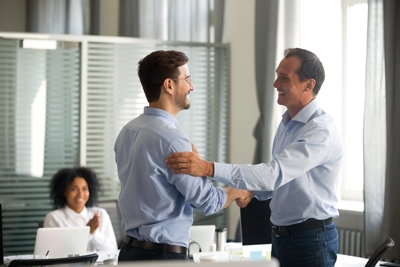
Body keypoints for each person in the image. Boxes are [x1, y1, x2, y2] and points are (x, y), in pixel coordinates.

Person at [165, 48, 344, 267]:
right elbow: (281, 183)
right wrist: (249, 191)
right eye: (277, 75)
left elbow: (273, 174)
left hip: (310, 240)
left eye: (284, 78)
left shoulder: (320, 130)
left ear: (309, 85)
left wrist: (208, 168)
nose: (275, 84)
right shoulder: (287, 123)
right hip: (282, 238)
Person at [114, 50, 253, 262]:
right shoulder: (172, 139)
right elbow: (206, 202)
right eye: (187, 79)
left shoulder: (127, 131)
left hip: (129, 253)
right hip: (162, 257)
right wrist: (235, 191)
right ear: (169, 85)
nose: (192, 86)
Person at [44, 167, 118, 252]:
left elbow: (112, 251)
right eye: (74, 189)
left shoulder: (100, 214)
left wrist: (94, 234)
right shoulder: (54, 218)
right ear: (64, 191)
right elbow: (54, 254)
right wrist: (87, 232)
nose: (80, 194)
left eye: (84, 189)